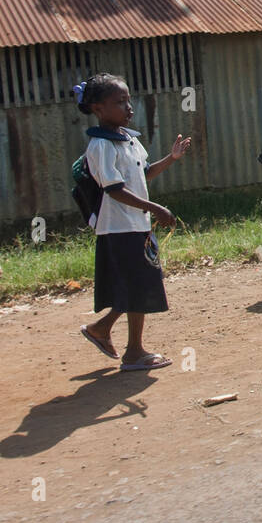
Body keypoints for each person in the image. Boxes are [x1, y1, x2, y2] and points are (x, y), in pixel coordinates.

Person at [74, 72, 192, 371]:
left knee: (138, 284)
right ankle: (133, 351)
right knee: (137, 285)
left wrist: (172, 158)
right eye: (120, 102)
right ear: (98, 109)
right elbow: (113, 190)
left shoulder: (128, 140)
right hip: (118, 227)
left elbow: (144, 173)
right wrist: (156, 208)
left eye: (129, 100)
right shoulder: (100, 146)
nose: (129, 107)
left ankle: (104, 331)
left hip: (136, 225)